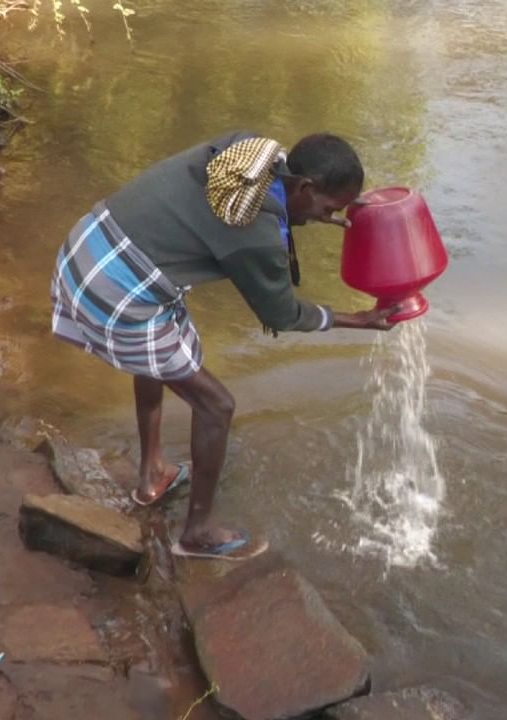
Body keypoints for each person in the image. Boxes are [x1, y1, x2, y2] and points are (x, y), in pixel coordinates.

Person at [50, 131, 397, 560]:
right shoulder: (255, 231)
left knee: (167, 348)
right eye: (330, 209)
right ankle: (196, 533)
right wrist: (359, 319)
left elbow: (267, 213)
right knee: (216, 405)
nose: (330, 217)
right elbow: (281, 315)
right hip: (114, 287)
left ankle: (152, 474)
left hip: (90, 245)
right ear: (305, 187)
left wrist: (312, 212)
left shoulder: (249, 155)